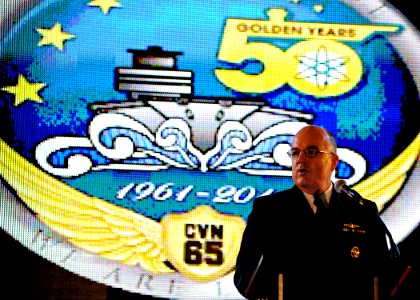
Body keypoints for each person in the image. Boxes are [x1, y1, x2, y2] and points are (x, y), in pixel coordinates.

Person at [234, 125, 401, 300]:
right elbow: (245, 278)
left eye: (311, 152)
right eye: (296, 152)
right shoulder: (268, 212)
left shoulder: (362, 211)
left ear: (333, 162)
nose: (301, 159)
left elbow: (384, 276)